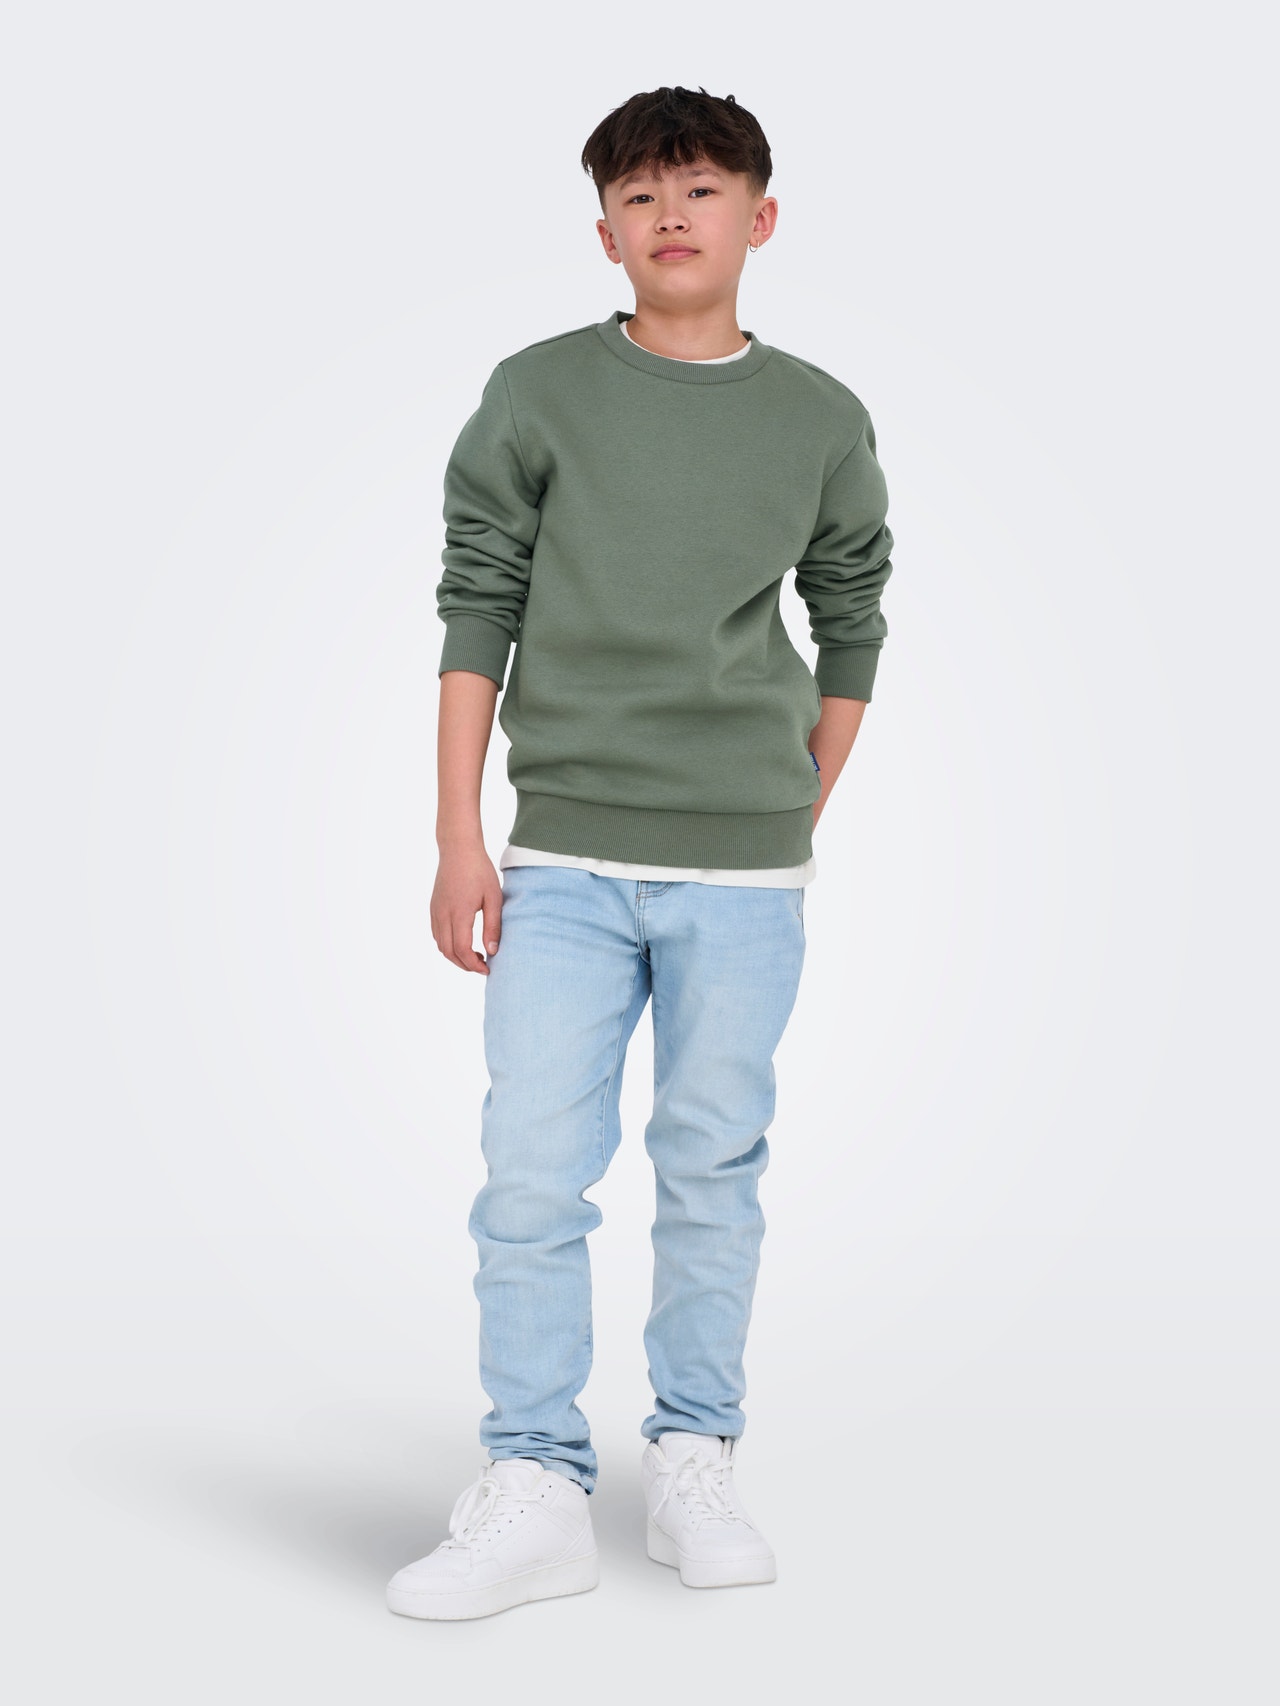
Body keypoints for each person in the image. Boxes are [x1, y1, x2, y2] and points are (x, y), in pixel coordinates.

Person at [387, 84, 896, 1621]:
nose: (673, 214)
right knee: (532, 1172)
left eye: (704, 187)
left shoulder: (819, 417)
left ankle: (694, 1456)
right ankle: (536, 1481)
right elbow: (478, 601)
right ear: (605, 230)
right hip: (561, 861)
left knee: (712, 1165)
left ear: (761, 216)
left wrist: (795, 803)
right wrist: (459, 833)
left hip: (748, 872)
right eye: (640, 194)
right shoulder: (539, 392)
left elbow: (853, 614)